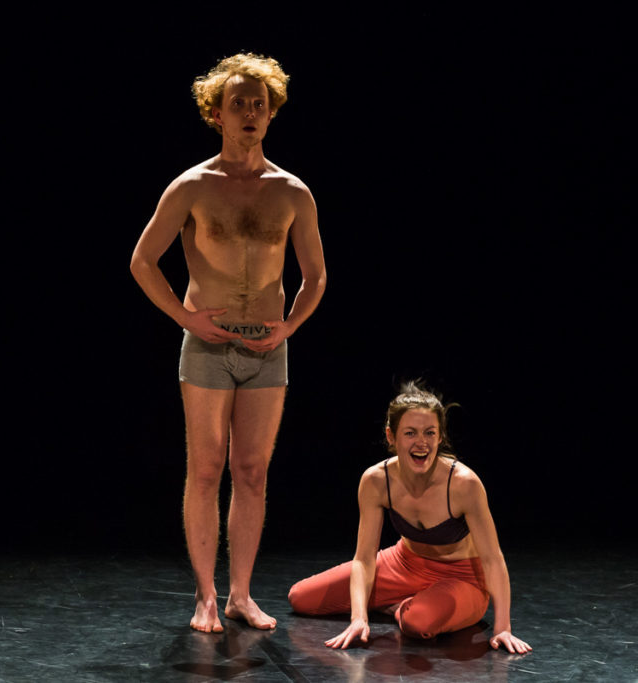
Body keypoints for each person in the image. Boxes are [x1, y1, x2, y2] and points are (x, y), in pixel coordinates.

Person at [130, 52, 326, 633]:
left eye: (258, 104)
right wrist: (185, 318)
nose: (249, 113)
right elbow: (142, 261)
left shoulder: (292, 192)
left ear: (271, 114)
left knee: (253, 471)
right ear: (216, 113)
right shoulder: (193, 185)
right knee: (207, 469)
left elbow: (316, 276)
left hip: (268, 348)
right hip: (209, 347)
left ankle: (240, 594)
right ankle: (206, 597)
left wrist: (289, 327)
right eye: (237, 103)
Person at [287, 382, 532, 653]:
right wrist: (358, 617)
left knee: (418, 623)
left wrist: (503, 627)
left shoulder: (464, 484)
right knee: (301, 598)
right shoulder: (376, 480)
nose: (421, 442)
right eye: (410, 433)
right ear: (391, 436)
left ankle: (405, 607)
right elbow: (364, 559)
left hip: (462, 577)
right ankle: (405, 602)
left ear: (440, 437)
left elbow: (493, 559)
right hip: (403, 564)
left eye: (430, 433)